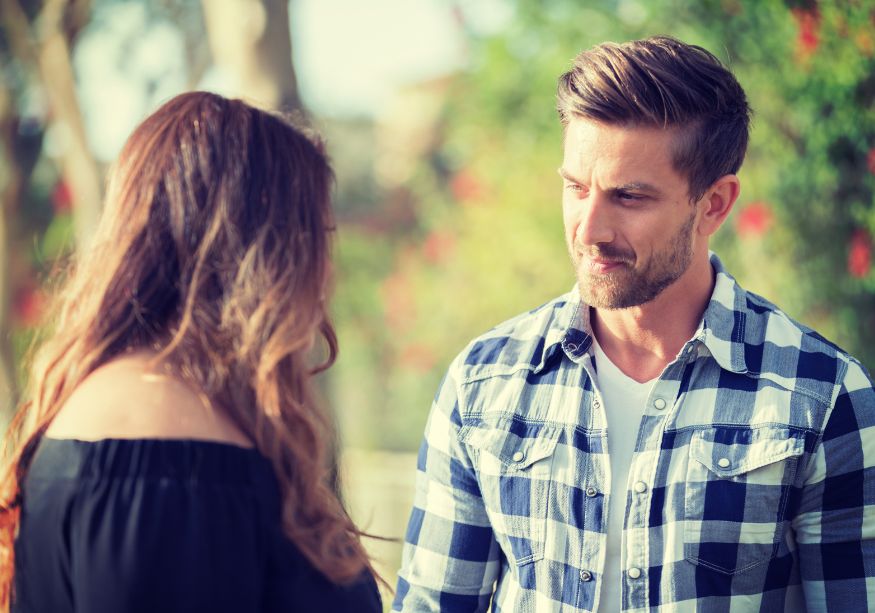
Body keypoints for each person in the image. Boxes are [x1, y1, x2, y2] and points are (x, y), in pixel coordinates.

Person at [393, 36, 875, 612]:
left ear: (714, 205)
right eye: (575, 187)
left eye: (629, 196)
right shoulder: (482, 384)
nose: (590, 228)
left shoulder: (823, 398)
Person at [0, 92, 383, 612]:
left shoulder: (161, 413)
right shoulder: (166, 434)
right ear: (264, 250)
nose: (325, 272)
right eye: (318, 236)